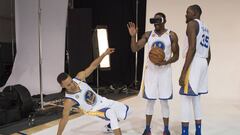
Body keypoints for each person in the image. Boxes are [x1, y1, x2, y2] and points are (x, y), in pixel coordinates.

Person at [56, 48, 130, 135]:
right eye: (68, 85)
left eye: (71, 81)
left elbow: (93, 66)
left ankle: (109, 127)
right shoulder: (69, 100)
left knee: (129, 112)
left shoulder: (79, 77)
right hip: (94, 110)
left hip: (103, 101)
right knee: (111, 113)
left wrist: (104, 54)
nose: (72, 85)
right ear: (62, 86)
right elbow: (64, 118)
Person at [127, 12, 179, 135]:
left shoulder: (171, 35)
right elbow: (134, 49)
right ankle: (147, 129)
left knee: (164, 101)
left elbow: (176, 56)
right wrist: (133, 36)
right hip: (151, 72)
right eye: (154, 21)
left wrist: (165, 62)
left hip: (164, 72)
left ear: (164, 20)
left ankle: (166, 130)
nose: (156, 23)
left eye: (158, 20)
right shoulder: (148, 35)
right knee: (150, 101)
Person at [179, 4, 211, 135]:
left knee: (185, 99)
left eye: (188, 12)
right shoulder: (206, 28)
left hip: (195, 61)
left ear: (195, 13)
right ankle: (198, 132)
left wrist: (183, 72)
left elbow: (192, 48)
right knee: (196, 99)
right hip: (203, 61)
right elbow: (209, 54)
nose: (186, 15)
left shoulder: (192, 24)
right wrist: (202, 69)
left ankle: (185, 133)